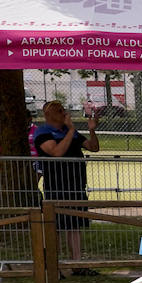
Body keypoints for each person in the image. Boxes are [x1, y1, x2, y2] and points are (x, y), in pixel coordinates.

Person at [34, 101, 99, 269]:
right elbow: (56, 152)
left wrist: (91, 129)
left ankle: (77, 263)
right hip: (57, 185)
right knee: (55, 225)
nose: (65, 114)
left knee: (74, 224)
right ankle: (52, 264)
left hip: (76, 184)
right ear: (51, 114)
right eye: (61, 111)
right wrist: (71, 130)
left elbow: (93, 147)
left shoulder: (72, 133)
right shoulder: (43, 133)